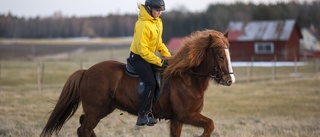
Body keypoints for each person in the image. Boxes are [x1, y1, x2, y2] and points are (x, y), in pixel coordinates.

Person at [128, 0, 171, 126]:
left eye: (161, 11)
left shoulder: (157, 22)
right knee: (150, 82)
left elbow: (159, 44)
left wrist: (169, 58)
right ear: (149, 8)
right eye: (157, 10)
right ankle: (142, 114)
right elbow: (143, 51)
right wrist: (159, 61)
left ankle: (153, 110)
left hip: (148, 56)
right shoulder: (143, 24)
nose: (159, 13)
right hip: (138, 58)